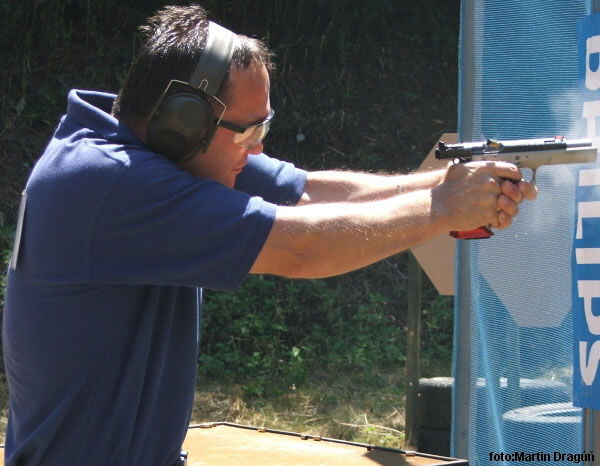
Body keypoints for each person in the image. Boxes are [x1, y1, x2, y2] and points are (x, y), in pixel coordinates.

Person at [2, 4, 536, 466]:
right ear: (183, 120)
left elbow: (307, 193)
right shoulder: (109, 182)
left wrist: (449, 184)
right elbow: (298, 247)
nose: (257, 148)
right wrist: (444, 206)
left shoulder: (154, 146)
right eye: (248, 130)